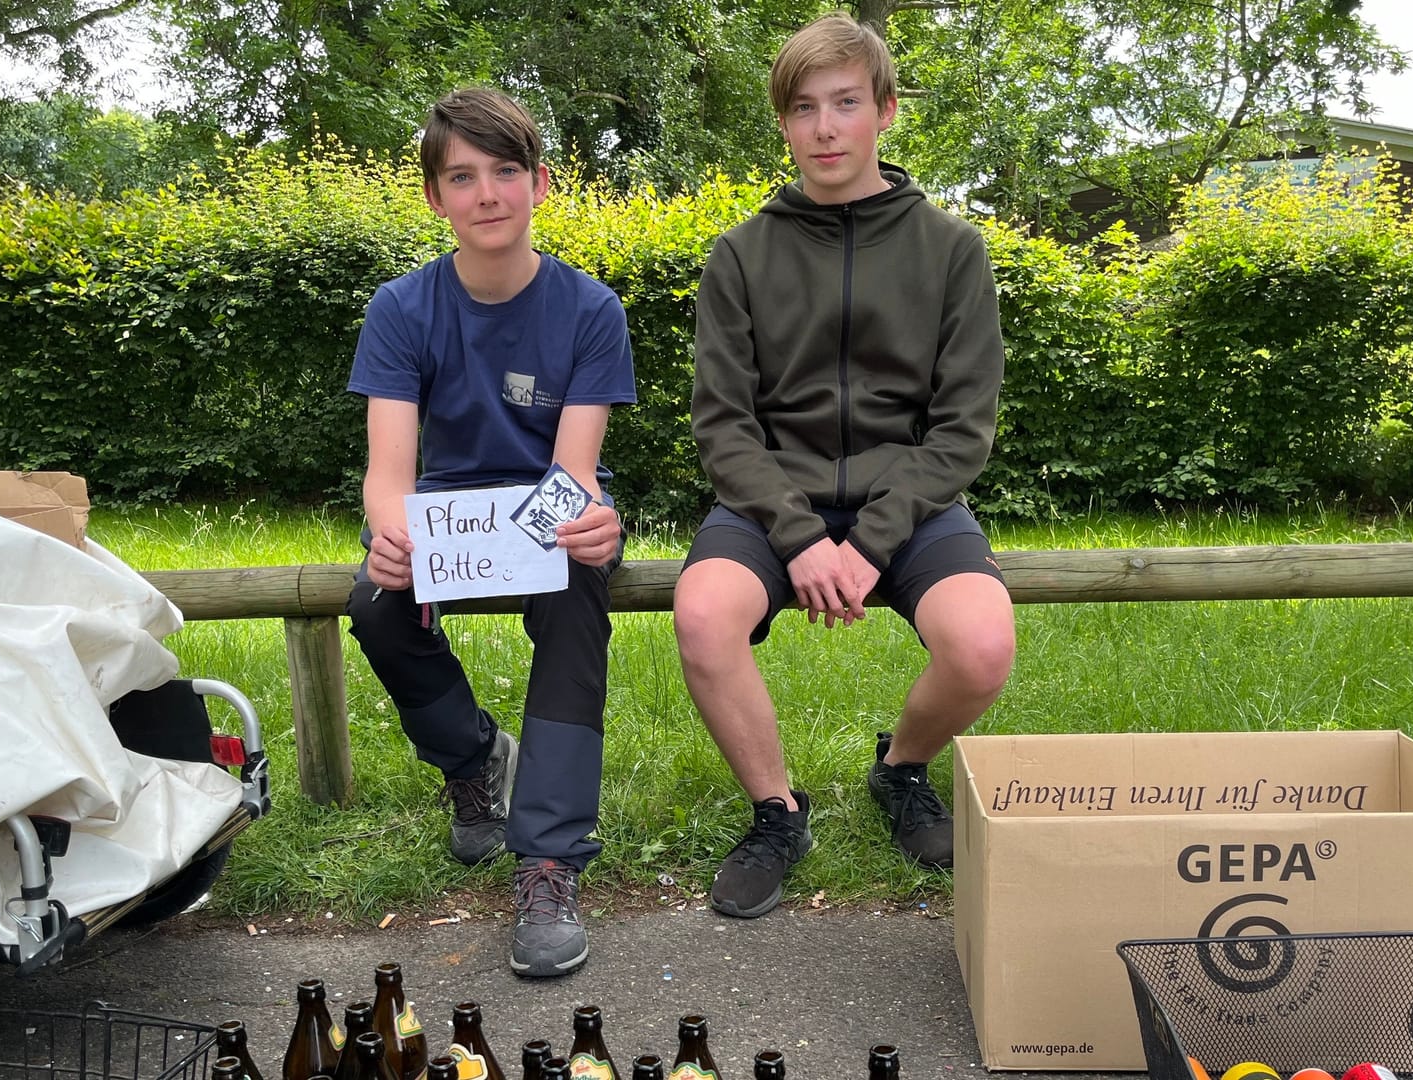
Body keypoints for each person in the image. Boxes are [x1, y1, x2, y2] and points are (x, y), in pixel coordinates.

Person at [671, 12, 1017, 919]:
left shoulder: (952, 252)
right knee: (704, 616)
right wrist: (795, 535)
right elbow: (723, 423)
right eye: (804, 109)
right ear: (784, 124)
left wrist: (871, 540)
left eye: (846, 104)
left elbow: (962, 427)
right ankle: (778, 812)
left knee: (983, 647)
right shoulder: (741, 256)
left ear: (885, 112)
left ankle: (900, 771)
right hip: (768, 498)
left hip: (911, 502)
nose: (824, 128)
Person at [343, 87, 635, 975]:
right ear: (435, 197)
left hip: (550, 508)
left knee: (578, 594)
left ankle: (548, 861)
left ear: (540, 183)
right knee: (375, 603)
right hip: (448, 510)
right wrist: (391, 536)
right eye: (462, 177)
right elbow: (389, 473)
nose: (487, 193)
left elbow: (574, 472)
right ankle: (474, 762)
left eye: (506, 171)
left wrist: (586, 523)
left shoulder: (592, 311)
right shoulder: (400, 307)